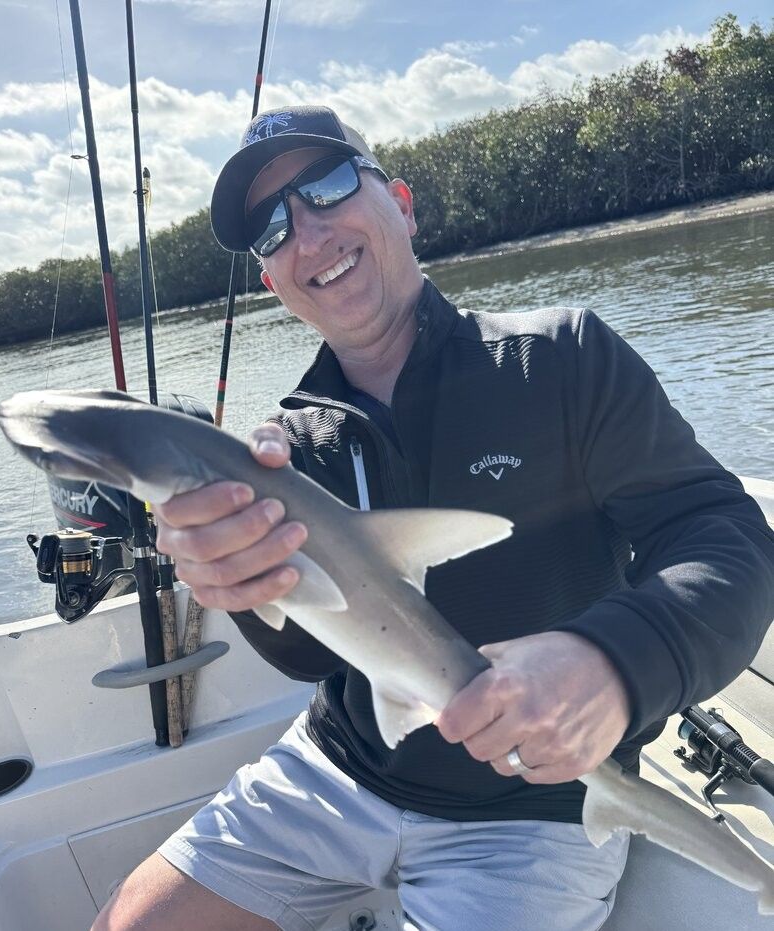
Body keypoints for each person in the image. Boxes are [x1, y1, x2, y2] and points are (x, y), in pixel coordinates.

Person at [93, 105, 774, 931]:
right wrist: (244, 583)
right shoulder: (290, 450)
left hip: (537, 805)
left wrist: (617, 662)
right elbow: (310, 654)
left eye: (328, 185)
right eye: (271, 229)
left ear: (403, 203)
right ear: (272, 282)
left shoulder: (562, 359)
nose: (306, 233)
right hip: (339, 768)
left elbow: (723, 535)